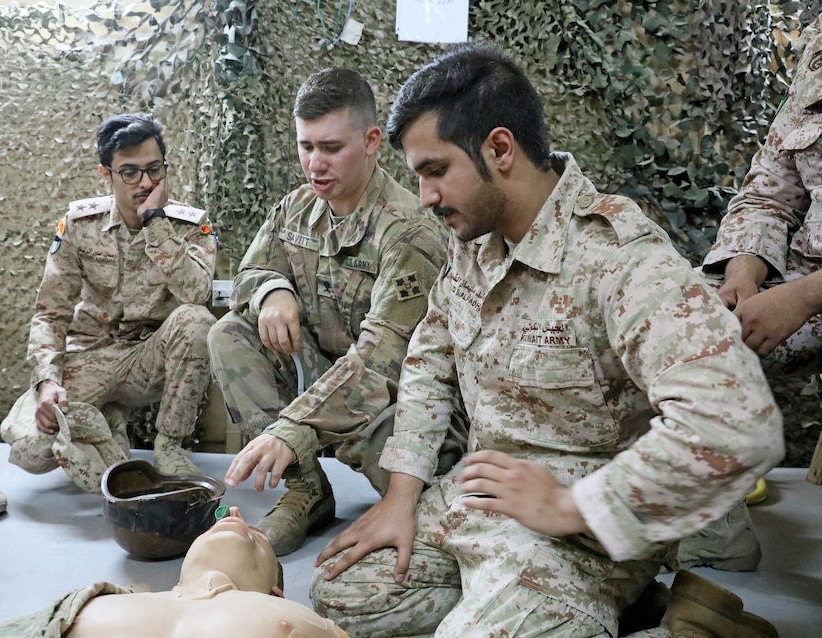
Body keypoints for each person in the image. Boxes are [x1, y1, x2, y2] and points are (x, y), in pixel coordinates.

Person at [309, 44, 784, 638]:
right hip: (482, 499)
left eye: (435, 171)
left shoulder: (619, 258)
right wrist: (401, 495)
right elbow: (430, 360)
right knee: (341, 593)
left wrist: (570, 507)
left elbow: (738, 424)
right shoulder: (473, 240)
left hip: (579, 533)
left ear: (500, 149)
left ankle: (628, 616)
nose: (426, 197)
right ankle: (619, 616)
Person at [209, 68, 466, 555]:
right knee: (230, 334)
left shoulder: (408, 232)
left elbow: (382, 361)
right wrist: (272, 292)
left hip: (397, 400)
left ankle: (416, 515)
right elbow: (250, 271)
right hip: (327, 375)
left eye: (331, 148)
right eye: (306, 146)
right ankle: (307, 491)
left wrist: (292, 431)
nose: (315, 164)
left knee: (419, 497)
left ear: (371, 141)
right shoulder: (298, 208)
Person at [0, 113, 217, 488]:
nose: (146, 182)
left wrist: (156, 224)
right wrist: (47, 381)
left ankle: (170, 446)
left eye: (154, 169)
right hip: (91, 356)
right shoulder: (80, 224)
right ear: (106, 175)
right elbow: (50, 314)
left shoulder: (189, 226)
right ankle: (108, 425)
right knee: (30, 453)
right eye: (130, 172)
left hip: (149, 360)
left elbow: (198, 295)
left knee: (197, 320)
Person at [687, 13, 822, 573]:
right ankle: (713, 527)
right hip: (799, 269)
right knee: (676, 320)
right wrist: (746, 270)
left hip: (810, 292)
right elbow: (772, 186)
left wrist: (802, 299)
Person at [0, 507, 349, 638]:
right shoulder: (91, 599)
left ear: (275, 592)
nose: (237, 512)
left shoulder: (301, 620)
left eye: (257, 537)